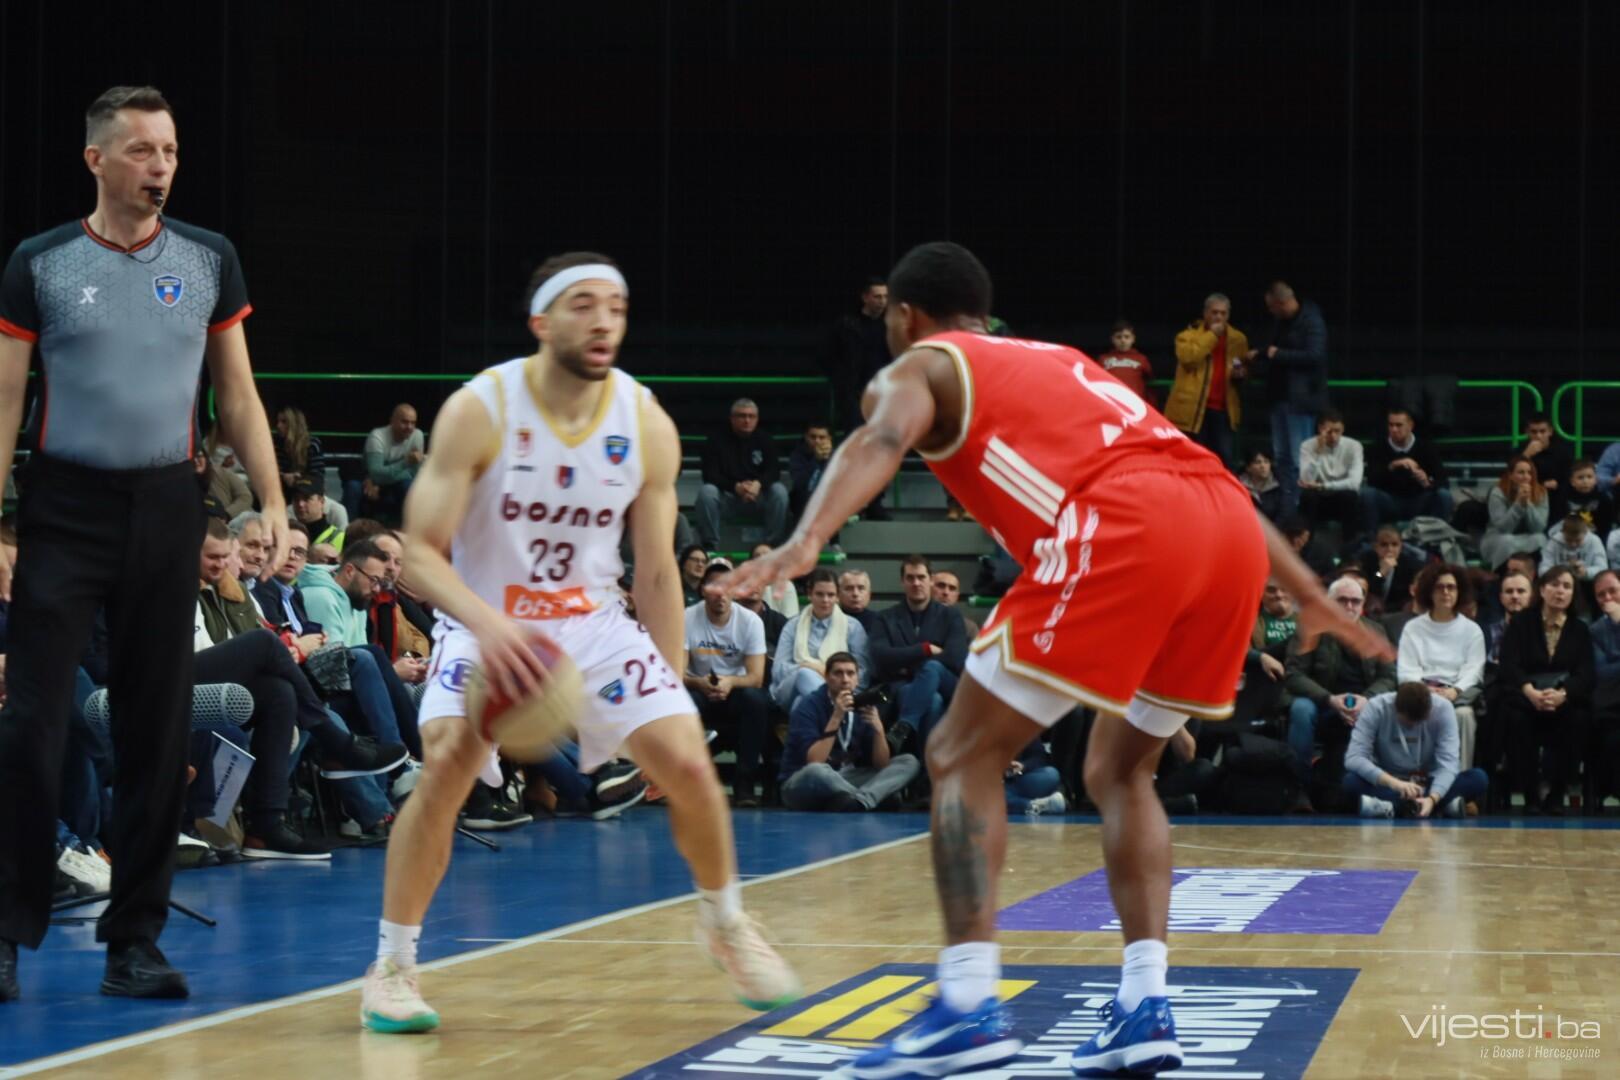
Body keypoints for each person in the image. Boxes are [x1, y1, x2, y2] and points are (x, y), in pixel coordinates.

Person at [727, 241, 1386, 1078]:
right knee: (1121, 771)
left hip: (1126, 521)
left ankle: (968, 1004)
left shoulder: (927, 361)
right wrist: (1306, 588)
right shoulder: (1064, 362)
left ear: (904, 314)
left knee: (960, 752)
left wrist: (806, 539)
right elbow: (1195, 473)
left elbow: (882, 434)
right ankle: (1144, 1004)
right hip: (1226, 527)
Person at [360, 253, 798, 1033]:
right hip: (486, 617)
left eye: (617, 308)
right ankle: (392, 965)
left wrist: (668, 687)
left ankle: (726, 921)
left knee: (689, 763)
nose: (604, 322)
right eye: (585, 305)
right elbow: (419, 554)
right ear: (542, 320)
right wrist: (491, 627)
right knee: (447, 767)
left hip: (594, 625)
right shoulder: (481, 408)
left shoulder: (644, 421)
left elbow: (656, 573)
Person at [0, 85, 291, 1004]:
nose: (160, 166)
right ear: (96, 159)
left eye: (168, 150)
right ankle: (6, 931)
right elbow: (4, 398)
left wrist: (272, 500)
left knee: (156, 728)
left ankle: (134, 941)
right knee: (31, 723)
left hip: (168, 507)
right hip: (63, 510)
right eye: (141, 150)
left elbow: (237, 394)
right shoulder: (40, 262)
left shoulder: (210, 258)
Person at [1496, 565, 1593, 815]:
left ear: (1573, 594)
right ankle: (1530, 795)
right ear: (1541, 590)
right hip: (1527, 696)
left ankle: (1557, 794)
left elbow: (1585, 673)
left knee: (1579, 719)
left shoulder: (1580, 629)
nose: (1560, 591)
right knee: (1515, 718)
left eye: (1567, 586)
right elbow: (1509, 664)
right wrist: (1530, 692)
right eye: (1554, 585)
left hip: (1563, 699)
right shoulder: (1521, 622)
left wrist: (1563, 694)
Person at [1284, 577, 1397, 788]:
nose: (1349, 606)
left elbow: (1389, 676)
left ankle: (1386, 786)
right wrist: (1329, 699)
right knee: (1301, 709)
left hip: (1363, 703)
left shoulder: (1375, 631)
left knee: (1392, 705)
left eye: (1355, 601)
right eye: (1342, 600)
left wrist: (1366, 699)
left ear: (1362, 605)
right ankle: (1297, 787)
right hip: (1321, 703)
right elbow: (1294, 674)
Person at [682, 560, 773, 807]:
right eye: (715, 587)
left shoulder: (751, 621)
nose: (721, 594)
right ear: (703, 590)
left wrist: (730, 682)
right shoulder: (686, 617)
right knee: (682, 701)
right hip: (699, 688)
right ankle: (687, 781)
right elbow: (677, 674)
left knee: (756, 701)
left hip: (736, 690)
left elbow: (756, 677)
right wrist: (699, 683)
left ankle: (744, 784)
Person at [778, 652, 920, 811]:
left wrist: (879, 730)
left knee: (909, 761)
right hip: (803, 782)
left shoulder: (862, 704)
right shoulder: (808, 706)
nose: (845, 679)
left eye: (850, 673)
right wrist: (836, 716)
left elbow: (881, 765)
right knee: (817, 771)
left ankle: (858, 801)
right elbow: (815, 760)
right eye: (838, 673)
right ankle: (872, 798)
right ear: (827, 677)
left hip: (845, 778)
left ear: (857, 679)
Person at [1341, 683, 1488, 818]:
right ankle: (1440, 807)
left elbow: (1449, 764)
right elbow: (1353, 758)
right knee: (1350, 782)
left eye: (1420, 720)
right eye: (1408, 721)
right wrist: (1395, 783)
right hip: (1389, 781)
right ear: (1396, 709)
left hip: (1429, 781)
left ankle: (1394, 807)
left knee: (1479, 778)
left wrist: (1433, 797)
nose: (1414, 725)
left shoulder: (1443, 709)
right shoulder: (1376, 707)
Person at [870, 556, 969, 756]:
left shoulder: (951, 615)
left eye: (921, 577)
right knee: (932, 700)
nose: (916, 583)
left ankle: (904, 726)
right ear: (902, 581)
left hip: (947, 684)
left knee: (932, 669)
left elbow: (956, 658)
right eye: (910, 578)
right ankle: (926, 766)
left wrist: (910, 665)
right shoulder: (885, 617)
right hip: (902, 687)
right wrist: (924, 649)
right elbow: (880, 657)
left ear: (930, 580)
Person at [1397, 564, 1486, 769]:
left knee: (1464, 715)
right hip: (1420, 694)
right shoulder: (1413, 628)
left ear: (1459, 591)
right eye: (1439, 587)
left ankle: (1460, 778)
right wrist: (1425, 691)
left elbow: (1474, 670)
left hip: (1457, 695)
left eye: (1451, 587)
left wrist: (1455, 691)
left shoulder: (1472, 630)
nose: (1446, 592)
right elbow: (1407, 669)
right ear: (1429, 591)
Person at [1258, 281, 1329, 515]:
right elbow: (1271, 348)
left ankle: (1303, 507)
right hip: (1278, 397)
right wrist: (1260, 354)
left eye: (1272, 307)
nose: (1270, 311)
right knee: (1282, 457)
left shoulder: (1312, 321)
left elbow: (1315, 355)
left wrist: (1279, 354)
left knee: (1301, 458)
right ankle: (1287, 506)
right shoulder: (1280, 322)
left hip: (1300, 400)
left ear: (1282, 303)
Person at [770, 568, 871, 717]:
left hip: (841, 691)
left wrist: (828, 674)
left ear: (837, 597)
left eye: (831, 595)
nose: (825, 600)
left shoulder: (852, 627)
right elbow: (778, 670)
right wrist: (809, 669)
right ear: (809, 594)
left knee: (801, 703)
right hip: (788, 690)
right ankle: (832, 708)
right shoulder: (792, 625)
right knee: (804, 675)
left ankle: (824, 720)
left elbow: (863, 672)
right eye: (819, 594)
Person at [694, 398, 789, 550]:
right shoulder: (715, 440)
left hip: (759, 497)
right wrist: (735, 487)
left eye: (751, 416)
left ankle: (773, 545)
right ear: (732, 418)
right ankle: (710, 546)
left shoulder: (765, 439)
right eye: (742, 416)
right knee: (707, 492)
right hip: (728, 499)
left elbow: (774, 471)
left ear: (757, 419)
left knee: (779, 491)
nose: (747, 420)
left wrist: (758, 484)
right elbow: (709, 475)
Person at [1168, 293, 1248, 467]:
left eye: (1223, 313)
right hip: (1193, 410)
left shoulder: (1238, 339)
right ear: (1205, 313)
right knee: (1192, 460)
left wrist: (1241, 374)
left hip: (1223, 410)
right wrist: (1211, 335)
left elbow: (1242, 367)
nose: (1219, 317)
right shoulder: (1187, 336)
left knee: (1224, 461)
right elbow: (1189, 358)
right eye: (1214, 312)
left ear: (1228, 315)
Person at [1361, 407, 1450, 529]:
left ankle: (1438, 537)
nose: (1394, 429)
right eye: (1391, 425)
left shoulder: (1426, 447)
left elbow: (1444, 481)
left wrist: (1427, 482)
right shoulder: (1378, 447)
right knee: (1367, 494)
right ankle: (1372, 537)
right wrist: (1392, 466)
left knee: (1443, 495)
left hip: (1419, 499)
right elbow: (1372, 480)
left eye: (1399, 425)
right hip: (1390, 500)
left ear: (1410, 426)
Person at [1296, 408, 1364, 544]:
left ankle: (1350, 549)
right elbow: (1306, 480)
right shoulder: (1307, 445)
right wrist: (1318, 453)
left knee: (1350, 496)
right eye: (1329, 431)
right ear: (1320, 429)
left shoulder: (1354, 446)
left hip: (1341, 497)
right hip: (1318, 499)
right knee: (1308, 496)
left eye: (1337, 431)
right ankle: (1306, 547)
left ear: (1343, 429)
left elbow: (1354, 483)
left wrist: (1324, 485)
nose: (1333, 436)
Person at [358, 403, 425, 523]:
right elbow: (376, 473)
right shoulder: (377, 437)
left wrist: (379, 481)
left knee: (409, 486)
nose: (409, 427)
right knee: (353, 489)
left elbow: (413, 473)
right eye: (404, 422)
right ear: (392, 421)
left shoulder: (417, 436)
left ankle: (411, 529)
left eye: (413, 423)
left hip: (383, 482)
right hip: (368, 479)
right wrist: (405, 463)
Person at [1481, 455, 1550, 570]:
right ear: (1511, 475)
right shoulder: (1498, 492)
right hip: (1498, 537)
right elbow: (1503, 528)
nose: (1526, 477)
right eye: (1521, 472)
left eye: (1529, 473)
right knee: (1507, 541)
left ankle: (1535, 576)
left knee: (1540, 539)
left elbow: (1539, 527)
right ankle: (1501, 575)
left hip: (1528, 536)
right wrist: (1518, 504)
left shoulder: (1541, 492)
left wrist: (1527, 503)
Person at [1094, 319, 1154, 406]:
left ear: (1133, 339)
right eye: (1118, 337)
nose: (1123, 340)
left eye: (1127, 337)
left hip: (1134, 402)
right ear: (1112, 339)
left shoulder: (1141, 359)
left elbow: (1150, 380)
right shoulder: (1103, 359)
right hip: (1111, 402)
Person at [1551, 458, 1614, 539]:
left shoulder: (1603, 499)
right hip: (1568, 537)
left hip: (1595, 538)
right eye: (1580, 478)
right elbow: (1557, 522)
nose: (1585, 481)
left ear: (1596, 479)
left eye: (1589, 477)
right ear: (1572, 482)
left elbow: (1606, 527)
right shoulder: (1563, 498)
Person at [274, 405, 326, 500]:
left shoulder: (311, 443)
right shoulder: (277, 444)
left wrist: (299, 478)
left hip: (309, 492)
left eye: (284, 422)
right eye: (278, 422)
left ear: (295, 424)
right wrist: (284, 476)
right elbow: (272, 472)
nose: (278, 426)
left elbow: (317, 475)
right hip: (283, 491)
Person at [1513, 413, 1572, 494]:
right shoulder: (1519, 451)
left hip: (1556, 494)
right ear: (1527, 432)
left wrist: (1557, 483)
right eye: (1534, 432)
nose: (1538, 436)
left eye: (1542, 431)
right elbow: (1511, 477)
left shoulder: (1563, 451)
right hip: (1529, 494)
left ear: (1550, 431)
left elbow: (1570, 476)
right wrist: (1526, 455)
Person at [1541, 514, 1607, 581]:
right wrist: (1559, 575)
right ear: (1563, 533)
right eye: (1568, 540)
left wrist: (1586, 572)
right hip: (1558, 580)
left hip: (1586, 581)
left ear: (1585, 533)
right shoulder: (1554, 542)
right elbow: (1543, 568)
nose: (1573, 544)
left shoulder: (1594, 541)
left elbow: (1603, 568)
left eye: (1578, 540)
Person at [748, 543, 799, 618]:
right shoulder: (747, 586)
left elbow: (791, 619)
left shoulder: (786, 585)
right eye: (757, 555)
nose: (762, 558)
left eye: (766, 554)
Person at [1239, 449, 1285, 522]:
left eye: (1266, 462)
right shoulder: (1239, 488)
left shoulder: (1279, 486)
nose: (1263, 466)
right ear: (1248, 468)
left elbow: (1284, 514)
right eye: (1257, 462)